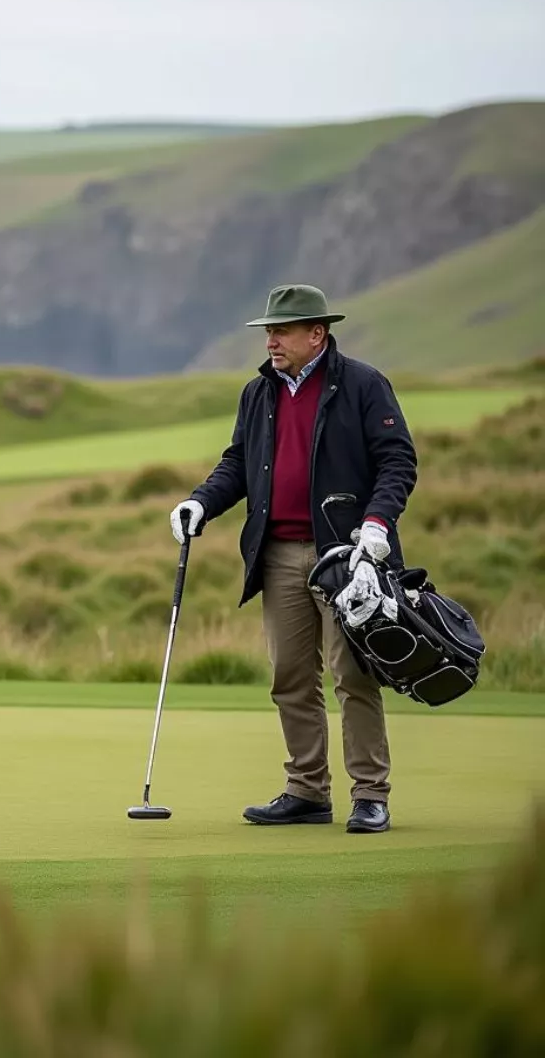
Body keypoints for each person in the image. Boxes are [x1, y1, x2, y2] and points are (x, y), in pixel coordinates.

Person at [169, 284, 417, 834]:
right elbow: (238, 462)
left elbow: (397, 462)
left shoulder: (363, 385)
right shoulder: (260, 393)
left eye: (281, 331)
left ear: (317, 334)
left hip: (348, 554)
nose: (271, 340)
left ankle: (370, 795)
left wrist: (377, 525)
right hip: (277, 552)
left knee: (353, 673)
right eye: (268, 331)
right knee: (289, 676)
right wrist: (200, 502)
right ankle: (307, 790)